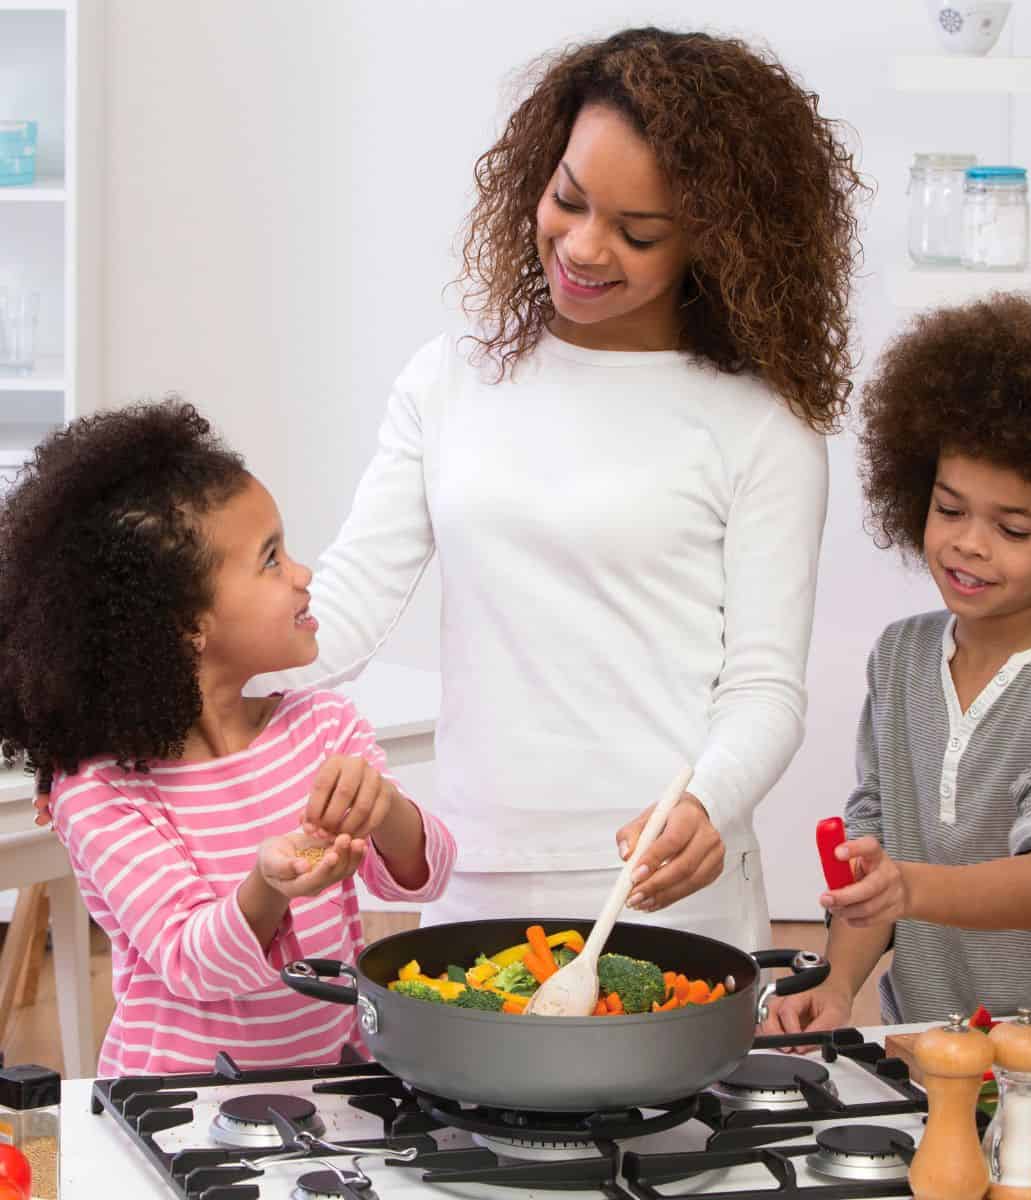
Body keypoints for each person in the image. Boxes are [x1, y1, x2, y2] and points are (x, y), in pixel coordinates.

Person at [245, 27, 865, 950]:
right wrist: (136, 711)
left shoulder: (762, 423)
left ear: (717, 239)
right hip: (472, 867)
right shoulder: (449, 381)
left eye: (637, 232)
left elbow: (765, 685)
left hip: (663, 878)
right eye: (567, 199)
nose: (582, 246)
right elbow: (340, 615)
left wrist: (708, 799)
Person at [762, 292, 1031, 1037]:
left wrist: (907, 888)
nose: (968, 543)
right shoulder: (901, 656)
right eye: (950, 508)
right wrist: (837, 986)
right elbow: (880, 856)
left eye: (1014, 527)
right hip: (935, 1039)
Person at [0, 402, 455, 1075]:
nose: (303, 574)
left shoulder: (320, 727)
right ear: (187, 625)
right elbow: (192, 961)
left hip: (338, 1080)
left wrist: (382, 805)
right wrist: (267, 887)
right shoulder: (103, 792)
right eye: (271, 560)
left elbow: (429, 875)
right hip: (179, 1106)